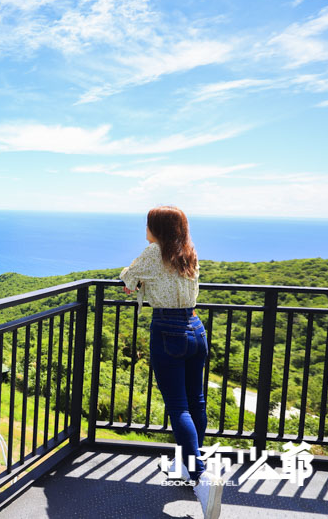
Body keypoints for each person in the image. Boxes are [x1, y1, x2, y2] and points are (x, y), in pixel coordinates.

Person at [120, 206, 223, 519]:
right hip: (196, 328)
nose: (146, 230)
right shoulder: (188, 253)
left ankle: (200, 477)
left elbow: (128, 277)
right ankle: (188, 462)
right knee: (196, 403)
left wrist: (134, 284)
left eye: (148, 225)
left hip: (168, 329)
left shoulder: (154, 251)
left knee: (178, 407)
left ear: (157, 229)